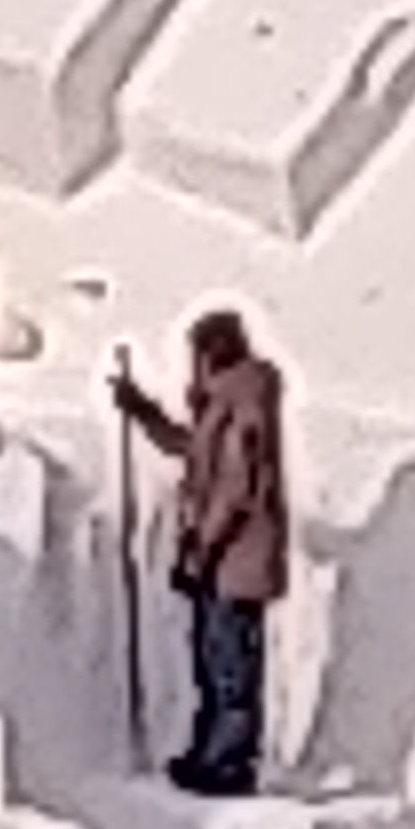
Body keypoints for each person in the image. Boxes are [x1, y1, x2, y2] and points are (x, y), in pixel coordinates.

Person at [110, 310, 291, 797]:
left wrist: (202, 547)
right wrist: (144, 412)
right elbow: (193, 451)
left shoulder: (241, 404)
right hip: (223, 557)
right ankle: (212, 753)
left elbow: (234, 487)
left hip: (235, 557)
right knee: (215, 659)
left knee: (230, 664)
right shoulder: (225, 404)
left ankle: (228, 763)